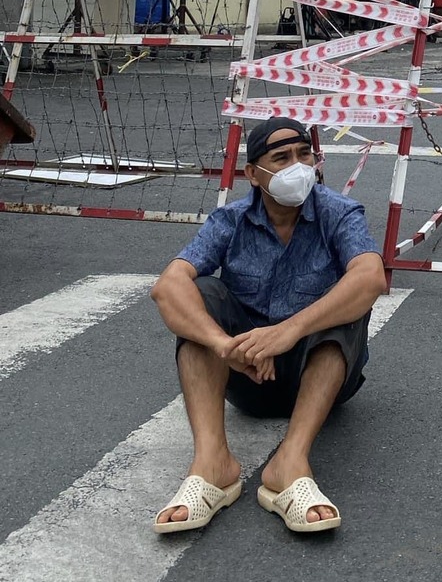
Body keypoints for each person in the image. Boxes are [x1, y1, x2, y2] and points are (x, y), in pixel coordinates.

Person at [150, 116, 386, 534]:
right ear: (253, 174)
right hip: (248, 376)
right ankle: (212, 464)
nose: (298, 166)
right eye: (281, 158)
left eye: (304, 154)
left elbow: (371, 276)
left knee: (347, 302)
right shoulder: (230, 220)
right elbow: (167, 287)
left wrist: (288, 331)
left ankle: (290, 463)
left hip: (319, 376)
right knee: (200, 293)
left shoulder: (338, 212)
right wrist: (225, 346)